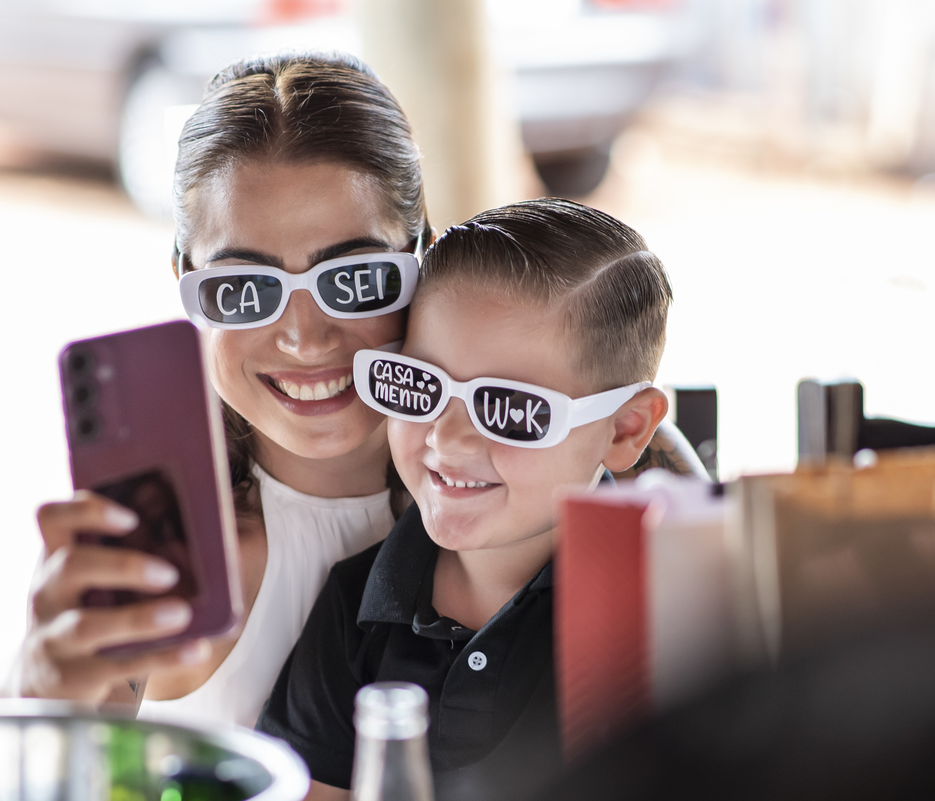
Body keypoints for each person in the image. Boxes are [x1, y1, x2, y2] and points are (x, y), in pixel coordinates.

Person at [0, 51, 701, 727]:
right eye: (243, 290)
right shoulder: (166, 552)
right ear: (185, 288)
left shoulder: (532, 479)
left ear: (425, 259)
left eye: (353, 281)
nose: (304, 336)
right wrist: (34, 685)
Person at [257, 198, 672, 801]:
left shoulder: (662, 615)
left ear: (625, 428)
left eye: (508, 408)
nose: (446, 439)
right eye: (419, 385)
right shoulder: (352, 611)